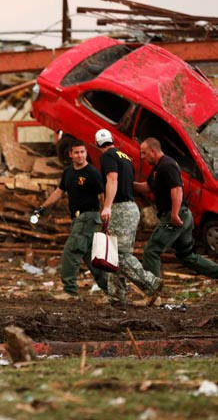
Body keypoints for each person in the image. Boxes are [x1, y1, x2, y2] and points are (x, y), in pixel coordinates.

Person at [96, 129, 162, 307]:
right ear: (112, 140)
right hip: (131, 208)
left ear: (97, 145)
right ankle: (117, 297)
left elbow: (112, 179)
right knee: (115, 254)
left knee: (118, 255)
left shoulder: (107, 156)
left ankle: (151, 283)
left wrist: (107, 206)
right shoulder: (125, 157)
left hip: (120, 209)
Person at [136, 137, 218, 279]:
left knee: (151, 251)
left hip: (176, 216)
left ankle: (153, 288)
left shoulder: (167, 165)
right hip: (182, 215)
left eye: (144, 153)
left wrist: (174, 214)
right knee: (187, 256)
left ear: (153, 151)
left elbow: (177, 189)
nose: (142, 157)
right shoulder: (158, 168)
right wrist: (128, 184)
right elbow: (148, 186)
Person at [36, 139, 107, 300]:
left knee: (71, 252)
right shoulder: (68, 172)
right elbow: (59, 192)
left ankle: (69, 291)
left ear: (86, 153)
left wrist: (104, 216)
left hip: (89, 217)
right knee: (91, 258)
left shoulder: (92, 172)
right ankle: (111, 290)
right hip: (77, 219)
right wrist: (42, 207)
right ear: (70, 154)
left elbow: (103, 194)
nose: (80, 155)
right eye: (76, 152)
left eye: (82, 152)